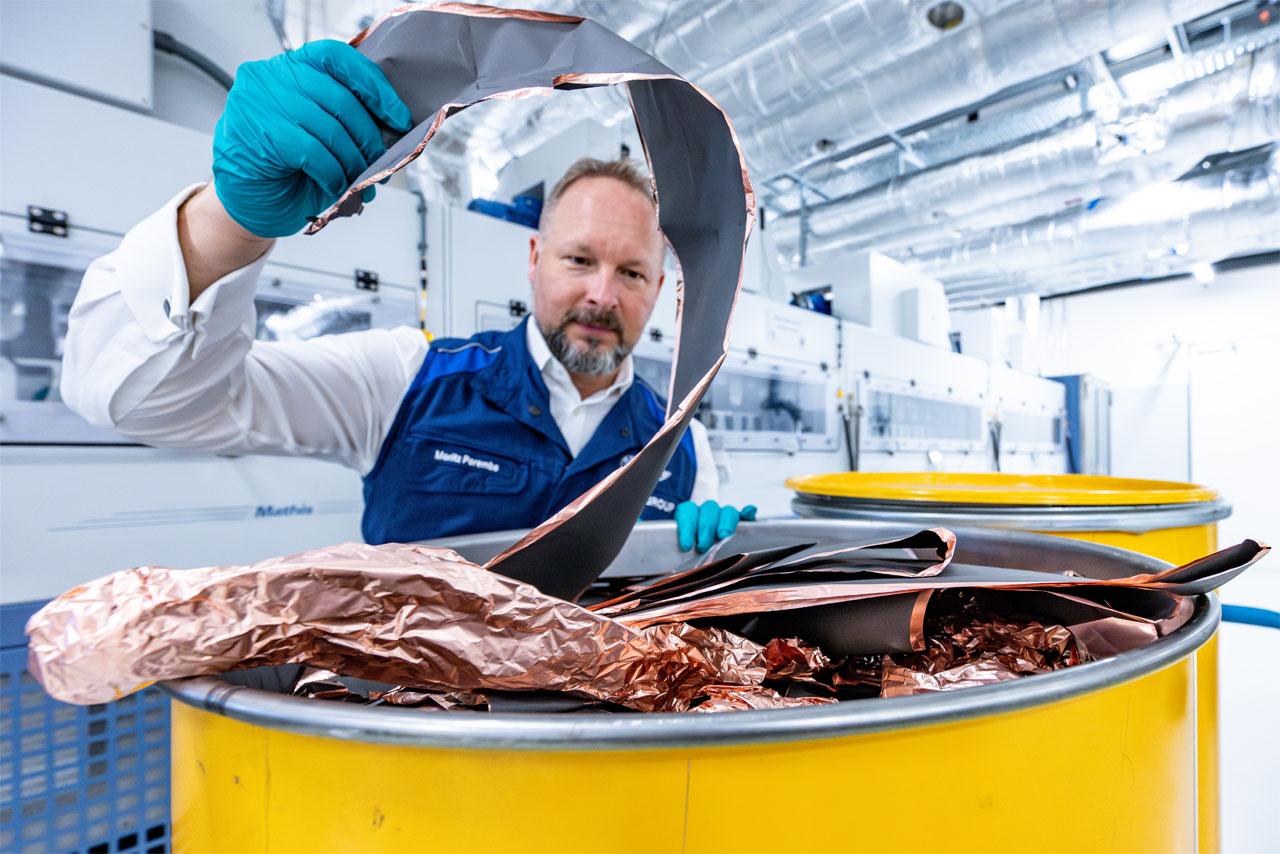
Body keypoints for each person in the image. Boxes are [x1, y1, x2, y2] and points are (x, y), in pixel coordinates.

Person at [60, 40, 754, 555]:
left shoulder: (683, 444)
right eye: (579, 259)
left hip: (605, 749)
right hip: (412, 745)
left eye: (631, 273)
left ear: (661, 291)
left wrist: (727, 558)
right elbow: (139, 400)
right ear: (535, 261)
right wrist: (227, 224)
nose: (602, 294)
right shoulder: (404, 381)